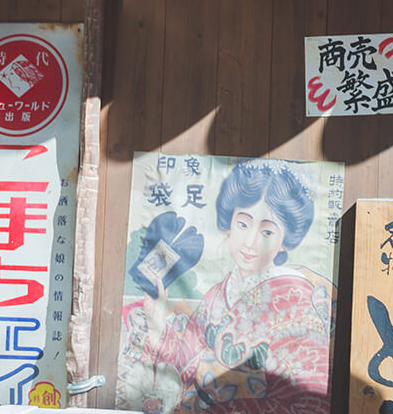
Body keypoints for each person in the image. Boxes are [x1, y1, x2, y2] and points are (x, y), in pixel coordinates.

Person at [120, 159, 333, 414]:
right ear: (228, 224)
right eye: (242, 224)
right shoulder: (218, 295)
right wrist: (157, 323)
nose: (250, 242)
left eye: (267, 232)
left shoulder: (295, 299)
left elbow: (309, 398)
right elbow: (186, 360)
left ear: (285, 241)